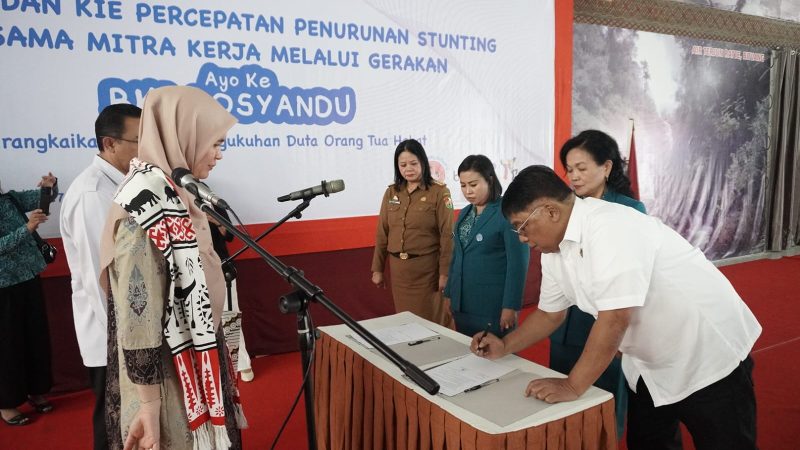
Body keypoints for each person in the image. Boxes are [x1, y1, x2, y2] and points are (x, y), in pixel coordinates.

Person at [473, 165, 761, 450]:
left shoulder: (610, 226)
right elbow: (550, 314)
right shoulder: (554, 251)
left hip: (706, 356)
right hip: (649, 365)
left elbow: (615, 319)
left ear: (550, 211)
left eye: (522, 227)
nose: (522, 239)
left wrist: (573, 385)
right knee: (649, 442)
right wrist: (504, 345)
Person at [98, 86, 246, 450]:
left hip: (195, 362)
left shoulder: (179, 195)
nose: (219, 155)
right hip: (167, 385)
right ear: (182, 136)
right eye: (214, 143)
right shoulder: (144, 207)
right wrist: (149, 404)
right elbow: (138, 314)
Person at [552, 129, 646, 438]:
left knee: (601, 394)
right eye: (569, 170)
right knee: (563, 391)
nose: (573, 177)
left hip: (609, 318)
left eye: (581, 168)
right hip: (569, 316)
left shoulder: (630, 211)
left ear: (606, 167)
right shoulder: (567, 209)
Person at [59, 103, 141, 449]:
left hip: (130, 331)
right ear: (109, 143)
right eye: (137, 140)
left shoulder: (125, 182)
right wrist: (127, 343)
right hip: (113, 338)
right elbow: (101, 278)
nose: (145, 149)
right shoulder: (93, 194)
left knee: (133, 424)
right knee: (112, 427)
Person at [444, 155, 529, 337]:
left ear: (489, 179)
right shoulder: (464, 214)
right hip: (462, 303)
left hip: (492, 306)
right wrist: (449, 293)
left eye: (473, 185)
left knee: (496, 360)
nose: (468, 191)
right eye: (463, 185)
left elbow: (518, 265)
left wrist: (511, 305)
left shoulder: (507, 212)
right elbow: (457, 256)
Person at [371, 139, 454, 325]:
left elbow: (447, 235)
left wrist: (445, 273)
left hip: (427, 272)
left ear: (423, 163)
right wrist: (377, 268)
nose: (408, 168)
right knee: (406, 323)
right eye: (403, 164)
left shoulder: (439, 192)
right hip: (399, 272)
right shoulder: (391, 192)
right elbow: (382, 232)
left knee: (433, 323)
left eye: (413, 163)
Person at [0, 172, 57, 426]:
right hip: (3, 286)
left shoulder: (8, 199)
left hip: (29, 277)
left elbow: (40, 200)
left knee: (36, 337)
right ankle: (7, 403)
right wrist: (27, 229)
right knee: (8, 346)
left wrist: (48, 188)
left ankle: (37, 391)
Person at [206, 206, 254, 382]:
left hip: (222, 267)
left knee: (230, 316)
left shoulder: (210, 199)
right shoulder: (174, 200)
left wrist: (216, 220)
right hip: (192, 269)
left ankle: (241, 363)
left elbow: (230, 235)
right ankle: (211, 367)